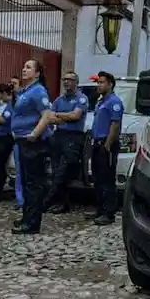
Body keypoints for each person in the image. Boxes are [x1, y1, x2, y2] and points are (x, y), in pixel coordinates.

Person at [11, 59, 52, 234]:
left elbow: (47, 115)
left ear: (37, 73)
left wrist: (34, 134)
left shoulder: (38, 91)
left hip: (33, 142)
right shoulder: (26, 91)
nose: (24, 69)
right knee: (27, 182)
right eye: (24, 66)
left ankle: (32, 223)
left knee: (34, 184)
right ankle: (27, 217)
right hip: (22, 141)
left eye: (28, 67)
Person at [45, 71, 89, 214]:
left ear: (76, 82)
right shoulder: (59, 100)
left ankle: (47, 202)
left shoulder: (81, 99)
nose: (66, 82)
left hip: (73, 137)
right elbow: (50, 118)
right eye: (64, 79)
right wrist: (65, 117)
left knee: (63, 171)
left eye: (69, 80)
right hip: (59, 136)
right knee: (56, 169)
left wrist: (58, 115)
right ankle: (62, 203)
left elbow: (76, 116)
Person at [87, 71, 124, 225]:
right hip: (96, 143)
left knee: (107, 180)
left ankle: (109, 213)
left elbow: (115, 125)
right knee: (98, 179)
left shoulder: (114, 102)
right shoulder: (101, 101)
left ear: (110, 84)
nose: (99, 85)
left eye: (102, 82)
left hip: (106, 145)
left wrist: (107, 145)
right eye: (98, 82)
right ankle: (100, 209)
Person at [10, 75, 24, 211]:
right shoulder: (8, 100)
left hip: (24, 138)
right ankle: (19, 199)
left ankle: (26, 199)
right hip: (13, 138)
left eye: (14, 83)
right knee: (17, 171)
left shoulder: (23, 98)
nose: (12, 86)